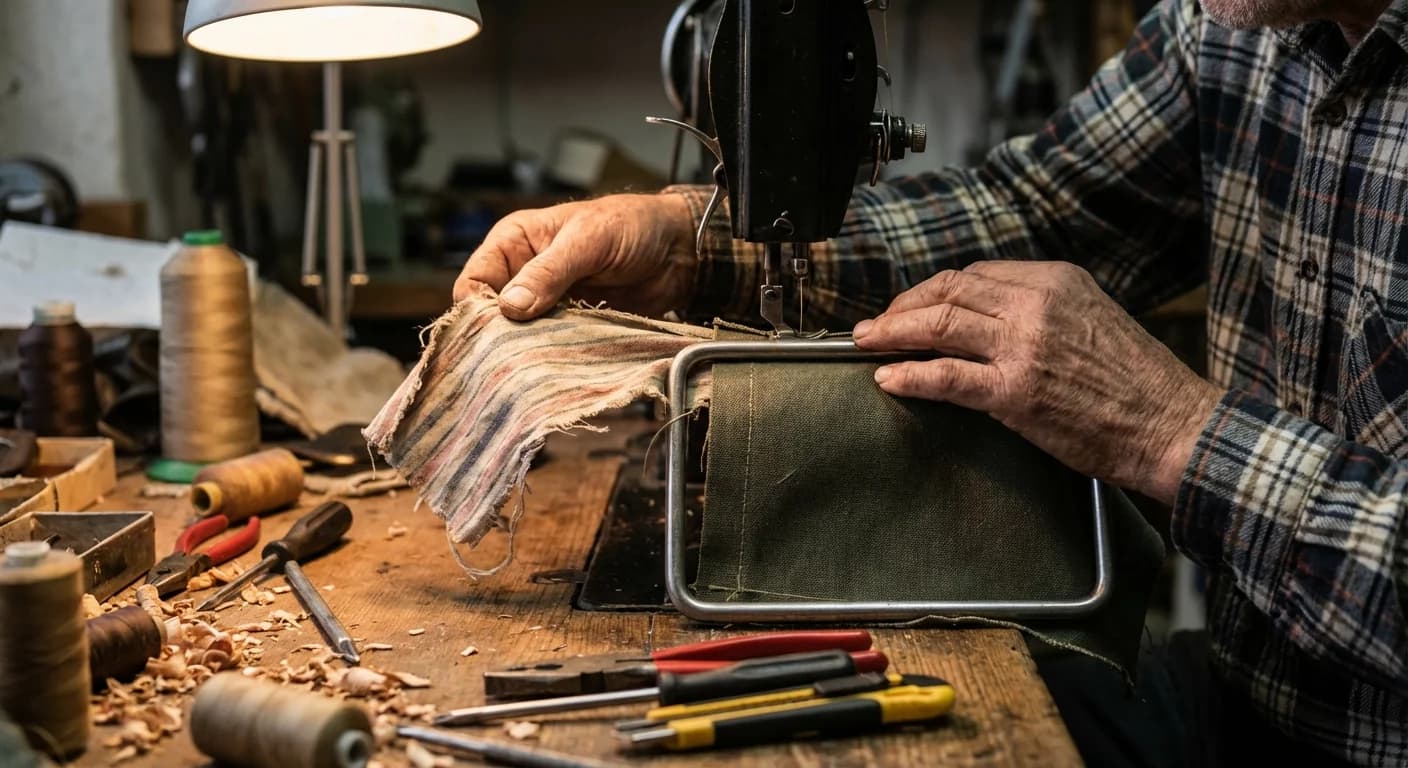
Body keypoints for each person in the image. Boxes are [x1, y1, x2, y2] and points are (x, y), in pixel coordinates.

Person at [454, 0, 1408, 764]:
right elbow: (1043, 211)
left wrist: (1171, 432)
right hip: (1244, 694)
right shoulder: (1235, 25)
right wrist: (699, 248)